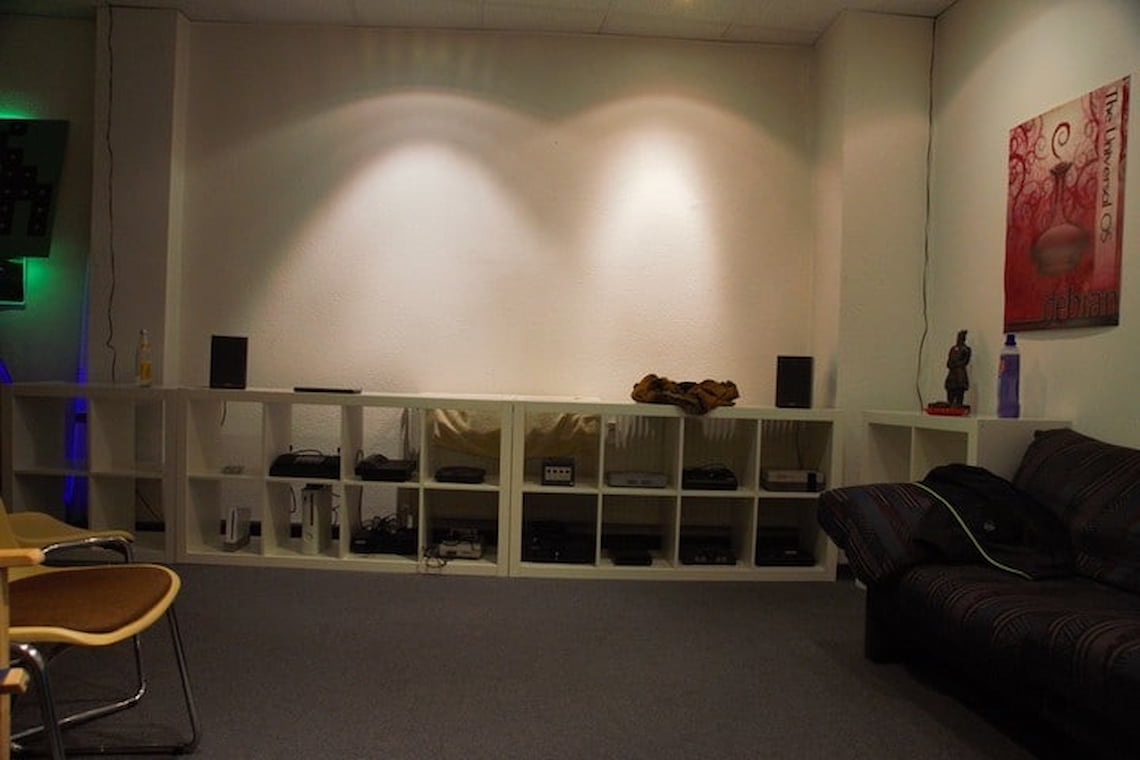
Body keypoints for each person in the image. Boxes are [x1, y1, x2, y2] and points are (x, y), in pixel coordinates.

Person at [945, 329, 971, 407]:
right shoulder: (953, 349)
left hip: (960, 375)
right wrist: (951, 364)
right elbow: (948, 361)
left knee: (959, 393)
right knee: (950, 392)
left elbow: (965, 361)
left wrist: (956, 364)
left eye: (961, 337)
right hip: (952, 374)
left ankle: (958, 405)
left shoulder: (966, 349)